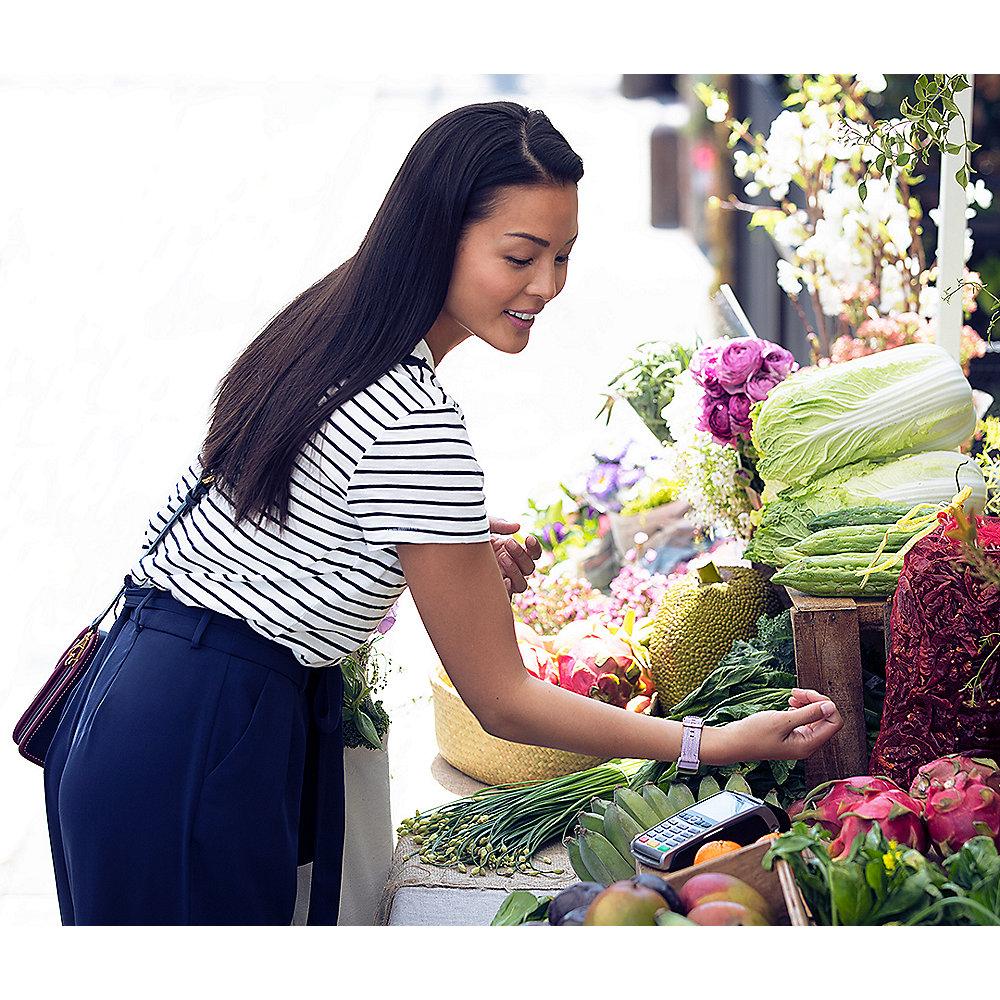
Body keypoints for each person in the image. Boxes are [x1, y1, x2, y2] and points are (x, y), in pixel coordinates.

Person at [42, 101, 844, 926]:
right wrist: (708, 743)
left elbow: (270, 536)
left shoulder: (327, 329)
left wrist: (431, 557)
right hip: (199, 737)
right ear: (438, 232)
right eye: (520, 255)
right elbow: (501, 699)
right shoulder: (415, 419)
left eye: (563, 256)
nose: (547, 286)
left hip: (135, 703)